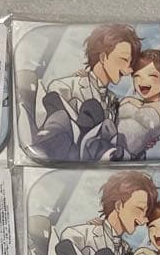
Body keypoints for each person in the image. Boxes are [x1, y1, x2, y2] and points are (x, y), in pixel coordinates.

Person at [32, 24, 142, 161]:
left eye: (130, 63)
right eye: (124, 60)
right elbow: (47, 126)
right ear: (103, 57)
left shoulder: (113, 103)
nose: (129, 69)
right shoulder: (66, 87)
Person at [118, 49, 160, 158]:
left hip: (128, 153)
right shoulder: (132, 101)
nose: (142, 82)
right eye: (137, 77)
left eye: (152, 76)